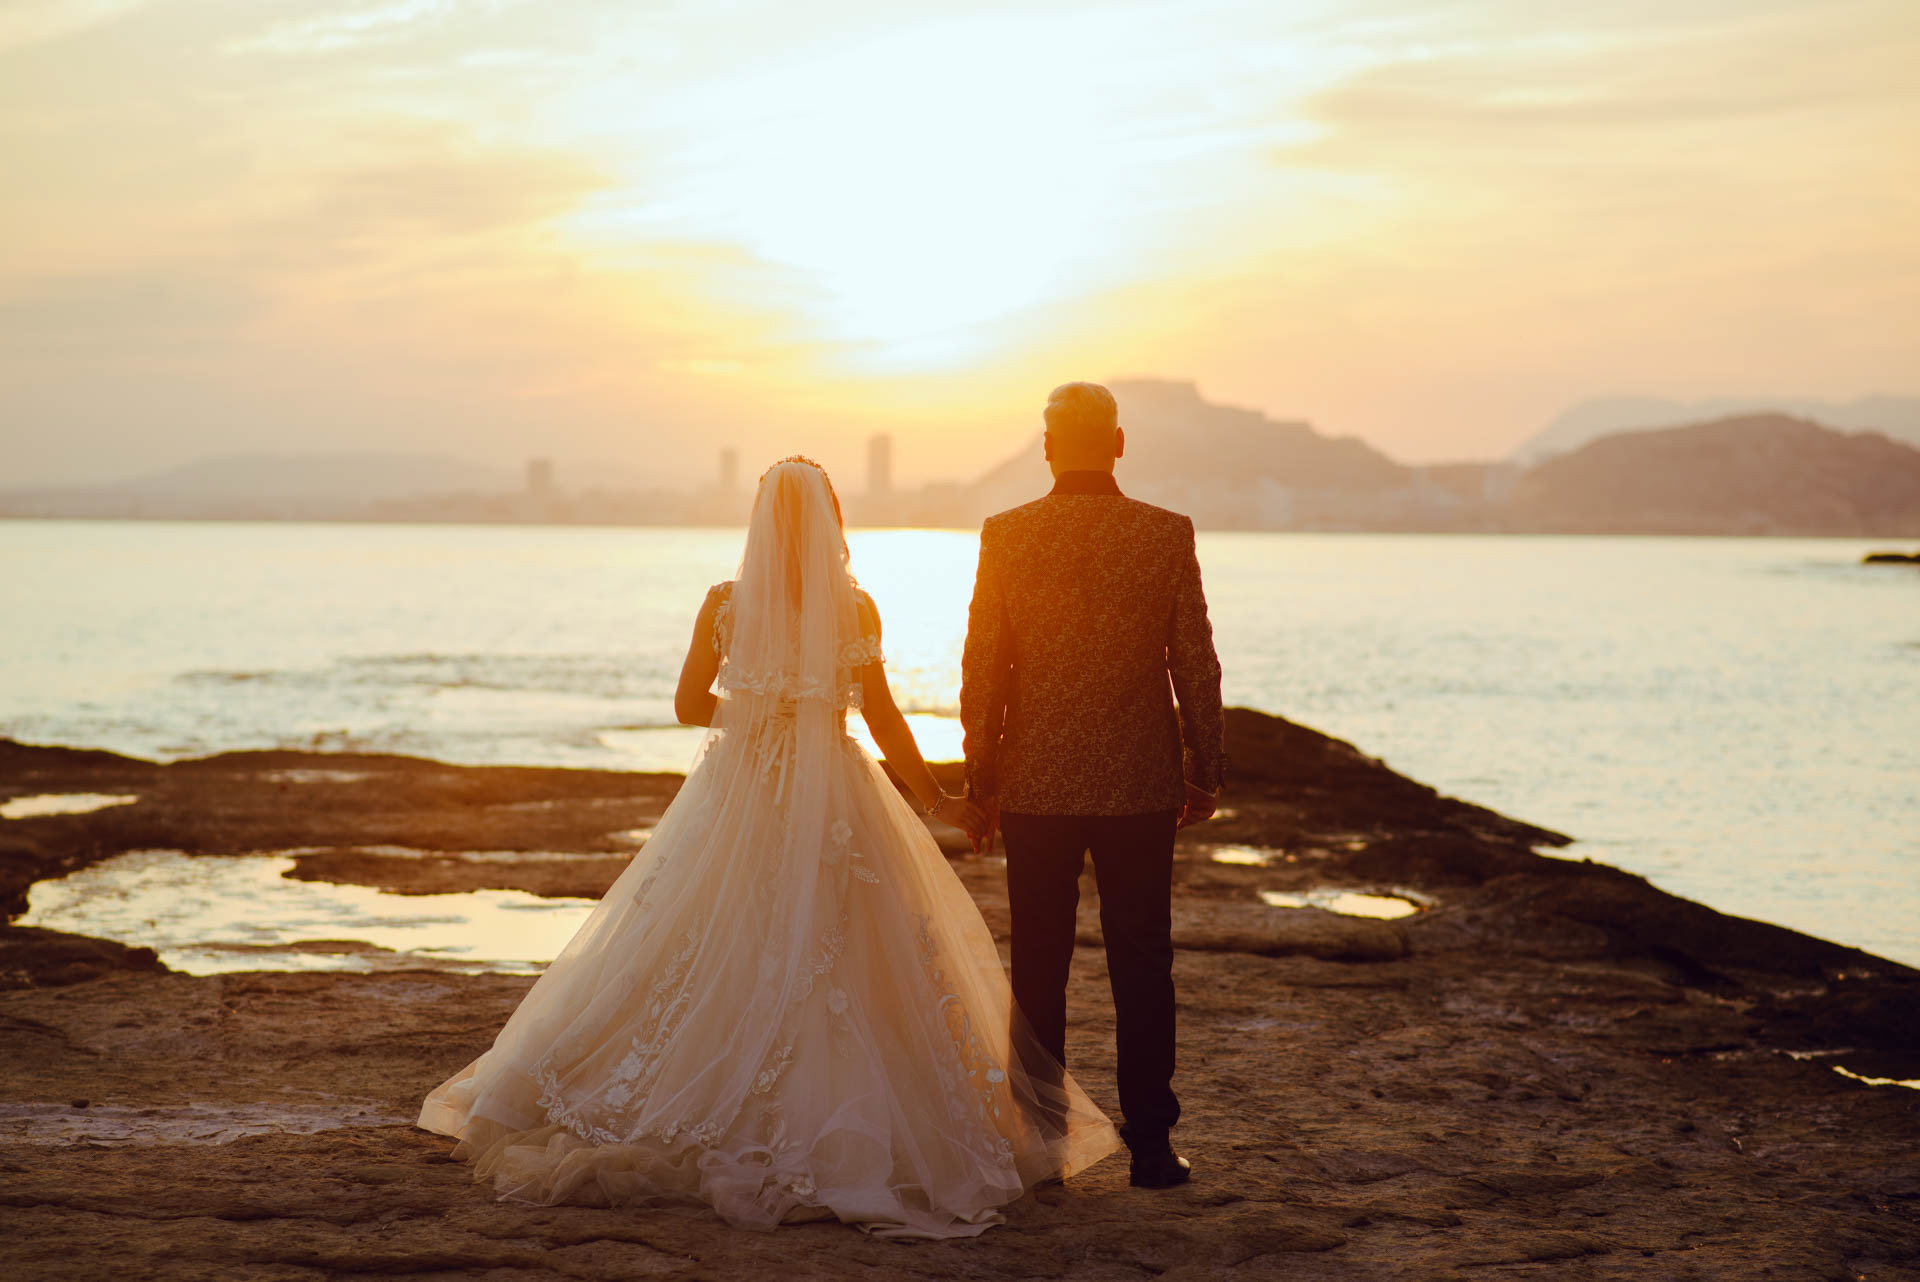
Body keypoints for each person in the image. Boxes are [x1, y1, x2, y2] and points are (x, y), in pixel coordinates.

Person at [418, 458, 1119, 1239]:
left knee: (705, 939)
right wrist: (939, 801)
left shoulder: (724, 604)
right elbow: (882, 717)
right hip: (836, 795)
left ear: (760, 520)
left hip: (741, 793)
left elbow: (689, 706)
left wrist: (760, 708)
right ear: (830, 519)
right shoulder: (855, 607)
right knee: (853, 945)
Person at [960, 381, 1225, 1189]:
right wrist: (1204, 770)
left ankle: (1039, 1146)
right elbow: (1196, 664)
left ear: (1047, 448)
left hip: (1035, 782)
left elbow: (982, 666)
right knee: (1142, 960)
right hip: (1140, 783)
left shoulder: (1007, 534)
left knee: (1038, 962)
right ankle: (1150, 1145)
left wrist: (981, 779)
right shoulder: (1163, 533)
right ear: (1117, 444)